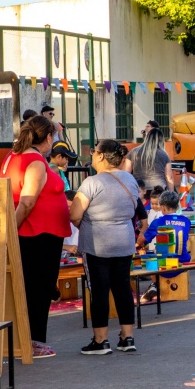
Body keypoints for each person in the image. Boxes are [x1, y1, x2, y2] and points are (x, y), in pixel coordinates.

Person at [0, 115, 71, 358]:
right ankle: (33, 341)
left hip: (36, 233)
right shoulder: (35, 162)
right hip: (38, 235)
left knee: (31, 287)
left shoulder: (13, 156)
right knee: (38, 289)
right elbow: (27, 202)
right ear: (49, 137)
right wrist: (11, 231)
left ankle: (29, 340)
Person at [69, 140, 139, 355]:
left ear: (101, 156)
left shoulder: (91, 182)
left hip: (97, 244)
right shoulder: (130, 180)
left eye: (93, 151)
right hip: (124, 241)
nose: (91, 155)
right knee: (123, 288)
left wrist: (88, 225)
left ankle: (101, 340)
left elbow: (74, 214)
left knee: (99, 291)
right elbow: (134, 208)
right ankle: (127, 338)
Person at [135, 190, 192, 302]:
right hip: (183, 261)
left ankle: (154, 284)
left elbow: (143, 240)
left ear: (163, 208)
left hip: (164, 266)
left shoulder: (158, 221)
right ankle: (154, 285)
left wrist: (138, 244)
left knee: (149, 256)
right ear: (177, 206)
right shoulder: (186, 221)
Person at [124, 127, 174, 192]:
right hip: (159, 190)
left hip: (139, 190)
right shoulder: (164, 155)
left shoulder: (133, 152)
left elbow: (125, 173)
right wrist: (172, 194)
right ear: (161, 140)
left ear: (147, 138)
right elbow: (169, 177)